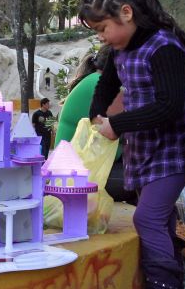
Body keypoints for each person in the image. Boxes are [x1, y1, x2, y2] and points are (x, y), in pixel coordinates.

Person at [79, 0, 185, 289]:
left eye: (103, 28)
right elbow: (105, 85)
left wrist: (116, 125)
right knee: (158, 219)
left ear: (127, 12)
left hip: (173, 149)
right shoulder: (121, 49)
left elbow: (169, 106)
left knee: (146, 217)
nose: (101, 37)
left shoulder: (166, 47)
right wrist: (96, 116)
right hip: (146, 149)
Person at [54, 47, 136, 206]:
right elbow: (133, 126)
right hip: (74, 179)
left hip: (75, 173)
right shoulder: (99, 84)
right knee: (150, 178)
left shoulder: (94, 81)